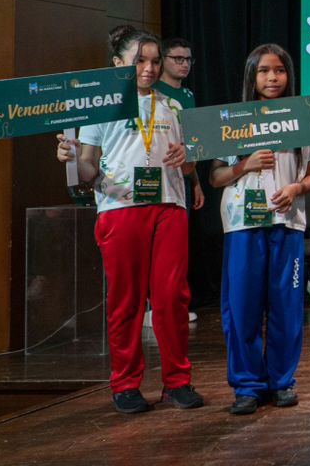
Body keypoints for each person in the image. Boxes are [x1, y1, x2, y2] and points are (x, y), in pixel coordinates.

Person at [55, 26, 204, 414]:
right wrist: (70, 158)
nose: (149, 69)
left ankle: (177, 382)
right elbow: (87, 169)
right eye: (140, 61)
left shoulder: (173, 107)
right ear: (118, 63)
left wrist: (187, 158)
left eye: (155, 61)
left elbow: (188, 165)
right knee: (126, 299)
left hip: (169, 206)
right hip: (119, 208)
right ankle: (125, 384)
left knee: (172, 297)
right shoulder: (101, 107)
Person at [209, 44, 310, 415]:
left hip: (287, 223)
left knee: (286, 307)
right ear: (251, 76)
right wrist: (245, 164)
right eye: (264, 71)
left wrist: (296, 189)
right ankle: (247, 385)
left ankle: (282, 381)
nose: (272, 78)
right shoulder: (232, 119)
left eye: (279, 70)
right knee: (243, 308)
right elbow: (216, 177)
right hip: (243, 224)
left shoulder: (301, 117)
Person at [157, 37, 204, 322]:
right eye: (178, 59)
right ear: (163, 60)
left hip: (182, 176)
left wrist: (195, 181)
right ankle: (154, 305)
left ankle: (175, 303)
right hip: (156, 174)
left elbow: (192, 143)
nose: (184, 64)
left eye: (188, 59)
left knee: (178, 245)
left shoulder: (187, 95)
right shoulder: (154, 92)